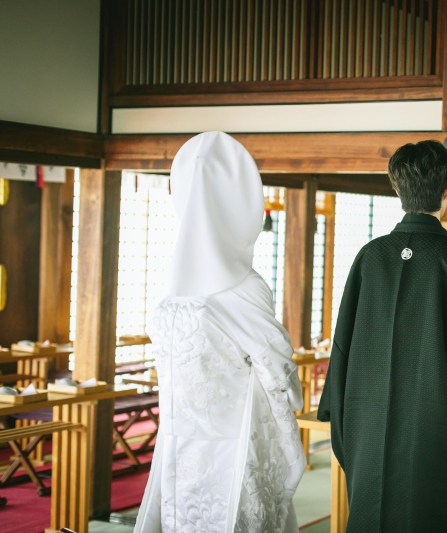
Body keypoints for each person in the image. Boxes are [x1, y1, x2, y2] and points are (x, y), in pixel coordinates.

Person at [318, 140, 447, 533]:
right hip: (437, 435)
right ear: (446, 192)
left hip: (368, 430)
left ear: (397, 189)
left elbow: (342, 350)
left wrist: (345, 429)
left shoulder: (369, 258)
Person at [134, 131, 306, 533]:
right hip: (235, 451)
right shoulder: (244, 286)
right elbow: (278, 371)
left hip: (178, 444)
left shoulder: (170, 291)